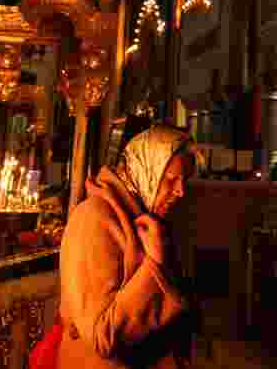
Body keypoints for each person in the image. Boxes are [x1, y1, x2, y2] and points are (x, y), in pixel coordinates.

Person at [57, 124, 201, 369]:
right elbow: (102, 336)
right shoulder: (94, 218)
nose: (181, 191)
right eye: (171, 179)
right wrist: (154, 264)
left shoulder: (149, 220)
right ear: (146, 169)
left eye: (184, 180)